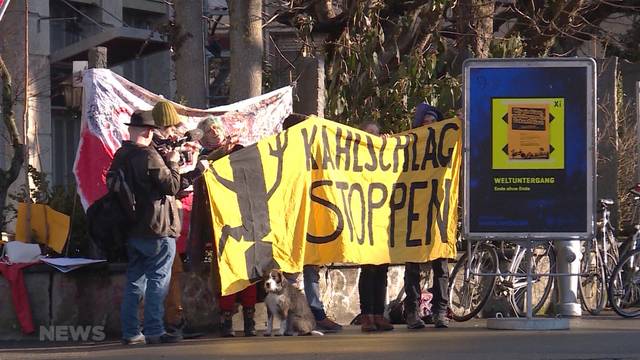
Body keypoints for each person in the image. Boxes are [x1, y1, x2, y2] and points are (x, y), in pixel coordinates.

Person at [115, 110, 195, 345]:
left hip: (131, 228)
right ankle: (153, 329)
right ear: (150, 131)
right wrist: (172, 162)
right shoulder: (149, 156)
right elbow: (171, 186)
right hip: (158, 227)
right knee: (158, 281)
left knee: (134, 282)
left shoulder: (121, 155)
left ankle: (131, 332)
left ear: (131, 130)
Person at [189, 116, 258, 337]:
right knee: (223, 273)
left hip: (244, 221)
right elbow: (203, 184)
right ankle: (226, 320)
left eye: (216, 128)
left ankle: (250, 321)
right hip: (218, 225)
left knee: (248, 271)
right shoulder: (203, 159)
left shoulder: (239, 149)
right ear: (203, 137)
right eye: (209, 131)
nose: (215, 132)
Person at [403, 102, 451, 329]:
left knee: (440, 264)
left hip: (439, 211)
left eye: (433, 123)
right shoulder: (410, 144)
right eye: (425, 123)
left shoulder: (447, 143)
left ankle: (440, 312)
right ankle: (412, 312)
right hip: (414, 211)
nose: (430, 126)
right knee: (412, 264)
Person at [357, 122, 394, 332]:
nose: (373, 137)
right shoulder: (357, 156)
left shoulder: (385, 155)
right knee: (368, 269)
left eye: (376, 134)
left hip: (383, 220)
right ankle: (367, 316)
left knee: (382, 270)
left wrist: (387, 148)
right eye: (368, 134)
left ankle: (379, 314)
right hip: (364, 220)